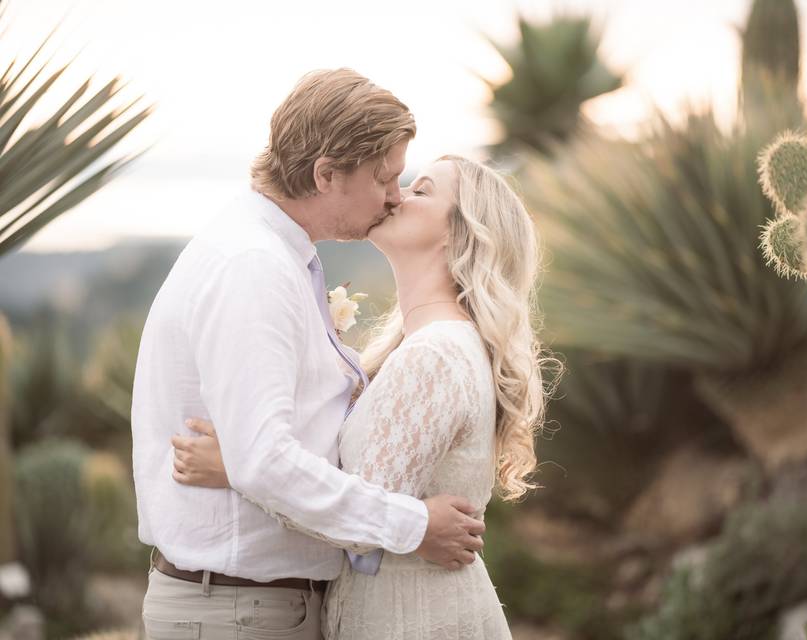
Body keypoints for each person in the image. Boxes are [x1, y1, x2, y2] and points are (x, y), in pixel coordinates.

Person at [132, 69, 486, 640]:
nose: (395, 196)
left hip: (249, 609)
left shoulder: (272, 255)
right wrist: (414, 525)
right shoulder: (255, 267)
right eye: (385, 179)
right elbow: (265, 461)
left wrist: (239, 467)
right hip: (238, 614)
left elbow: (261, 453)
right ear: (326, 174)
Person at [171, 154, 557, 638]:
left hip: (412, 620)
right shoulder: (427, 344)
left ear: (460, 234)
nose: (396, 196)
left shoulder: (435, 354)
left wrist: (239, 467)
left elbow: (359, 521)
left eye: (422, 191)